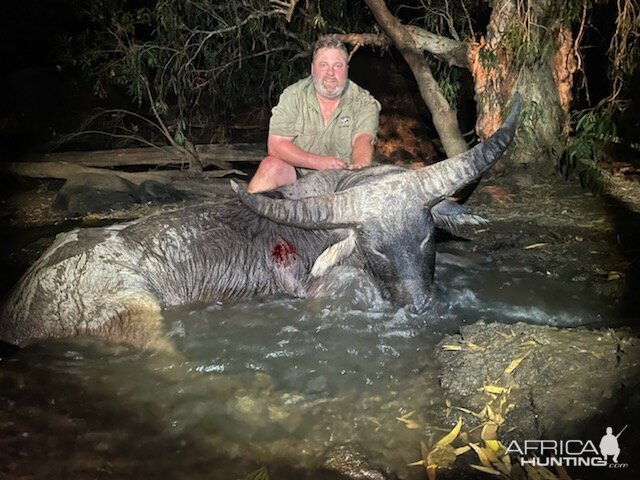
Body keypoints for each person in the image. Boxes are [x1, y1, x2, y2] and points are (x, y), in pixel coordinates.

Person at [247, 35, 381, 193]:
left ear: (347, 69)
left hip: (341, 180)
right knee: (270, 166)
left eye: (337, 65)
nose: (330, 72)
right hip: (298, 175)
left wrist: (358, 169)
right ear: (312, 68)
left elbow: (363, 140)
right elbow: (276, 146)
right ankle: (245, 212)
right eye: (323, 65)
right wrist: (318, 162)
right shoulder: (293, 96)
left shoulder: (364, 102)